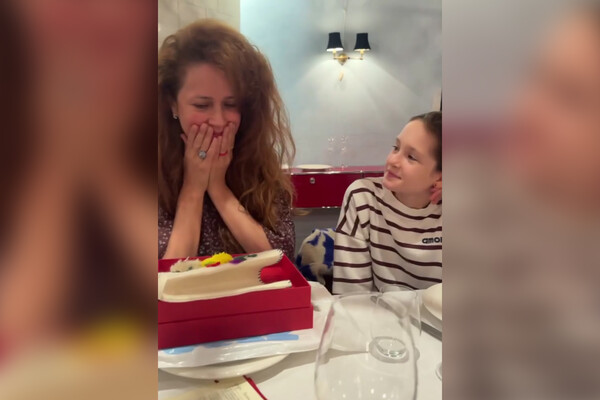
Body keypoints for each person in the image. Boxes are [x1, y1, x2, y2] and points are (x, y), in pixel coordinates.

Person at [158, 19, 296, 261]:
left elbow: (280, 259)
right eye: (202, 105)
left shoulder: (256, 160)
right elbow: (165, 273)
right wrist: (193, 186)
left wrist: (218, 187)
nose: (219, 121)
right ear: (173, 103)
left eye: (231, 105)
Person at [333, 111, 442, 293]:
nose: (392, 160)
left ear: (440, 177)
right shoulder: (364, 198)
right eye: (396, 147)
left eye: (411, 157)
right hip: (378, 311)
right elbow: (351, 297)